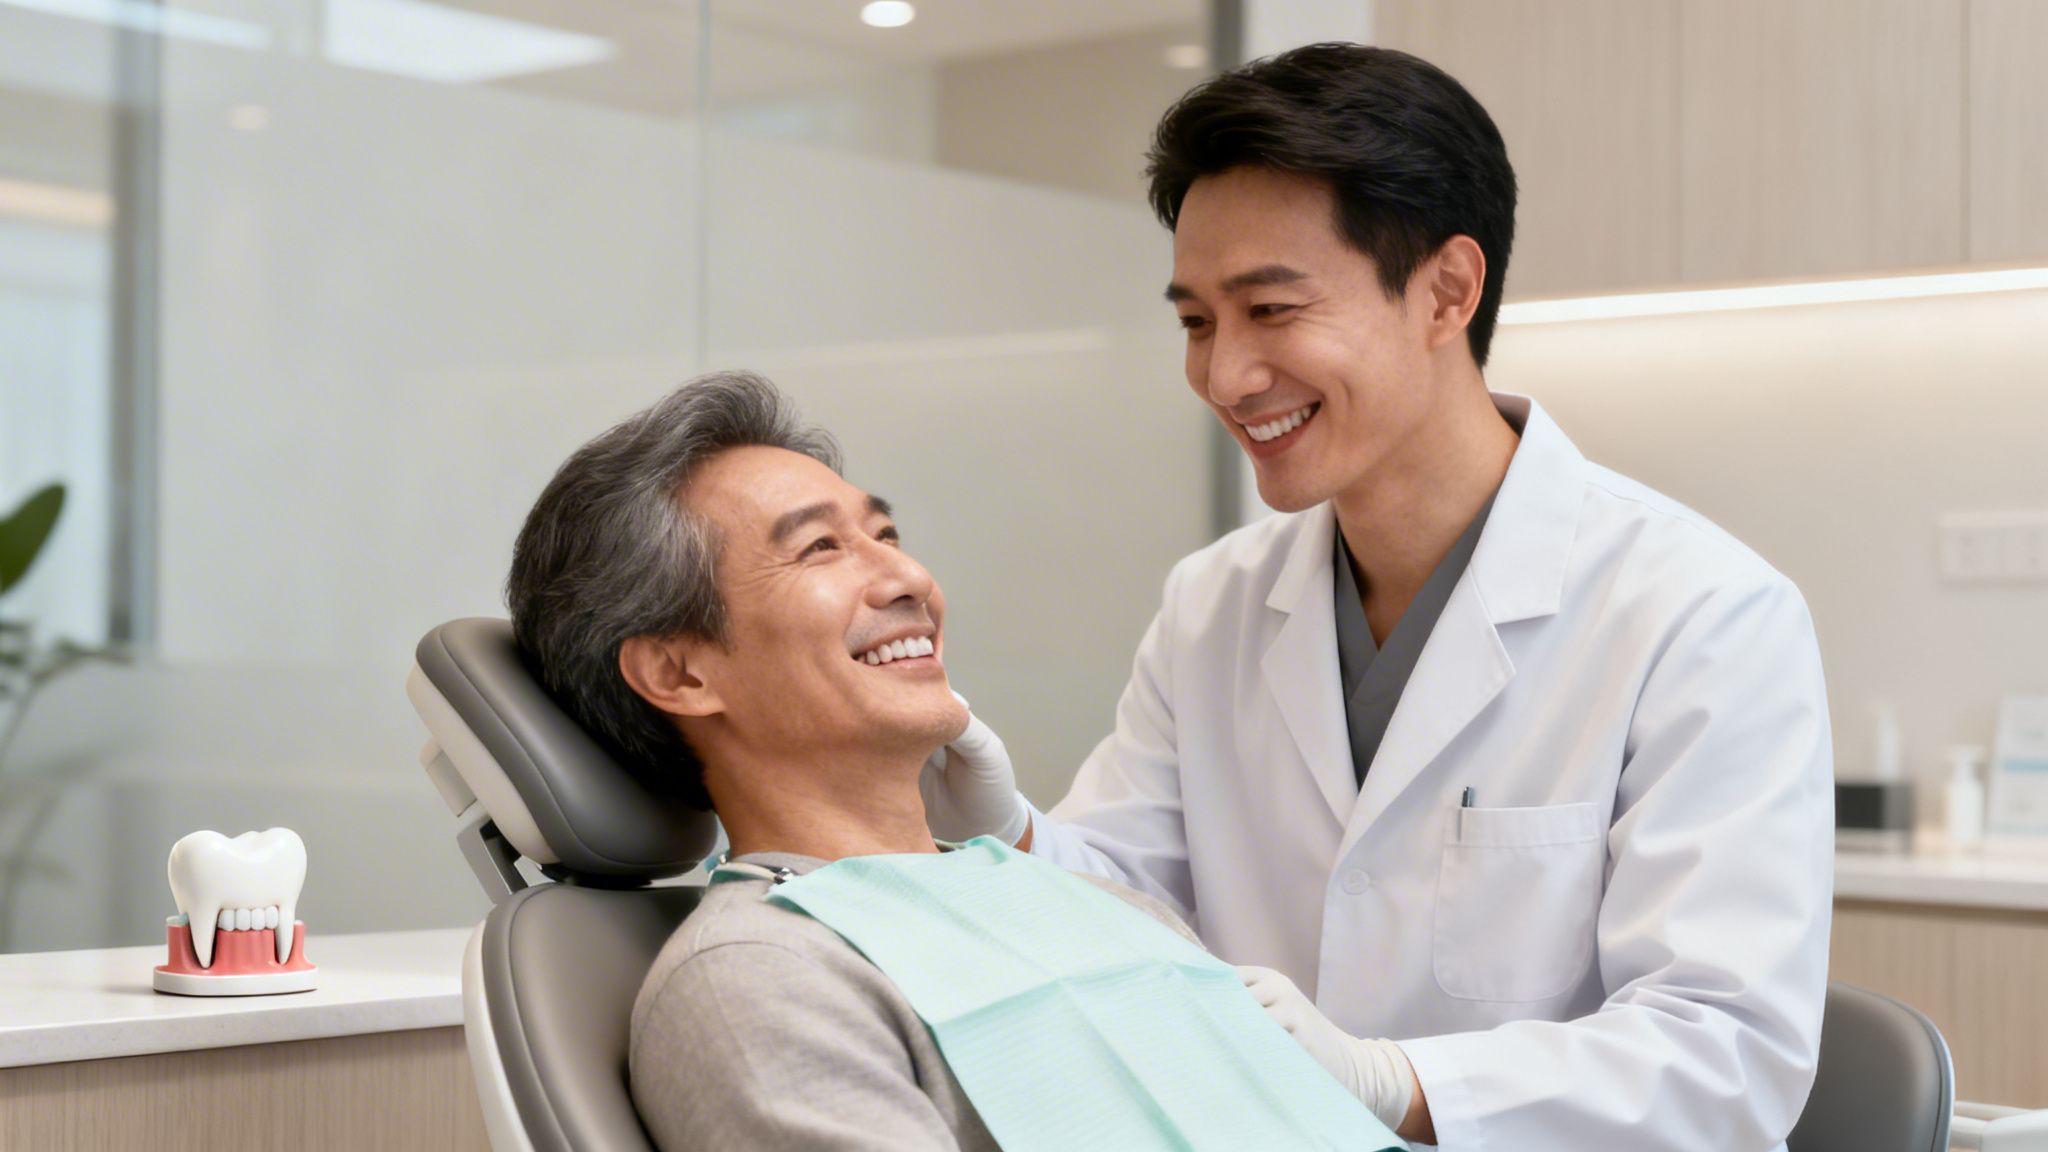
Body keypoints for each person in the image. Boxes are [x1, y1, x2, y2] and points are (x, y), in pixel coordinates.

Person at [920, 43, 1835, 1150]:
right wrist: (1002, 830)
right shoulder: (1212, 603)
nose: (1223, 377)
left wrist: (1389, 1081)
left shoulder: (1698, 613)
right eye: (1196, 322)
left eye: (1269, 310)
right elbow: (1126, 899)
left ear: (1445, 290)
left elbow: (1720, 1055)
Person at [504, 372, 1399, 1152]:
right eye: (819, 547)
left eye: (885, 534)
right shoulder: (757, 976)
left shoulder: (1098, 908)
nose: (906, 580)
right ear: (679, 670)